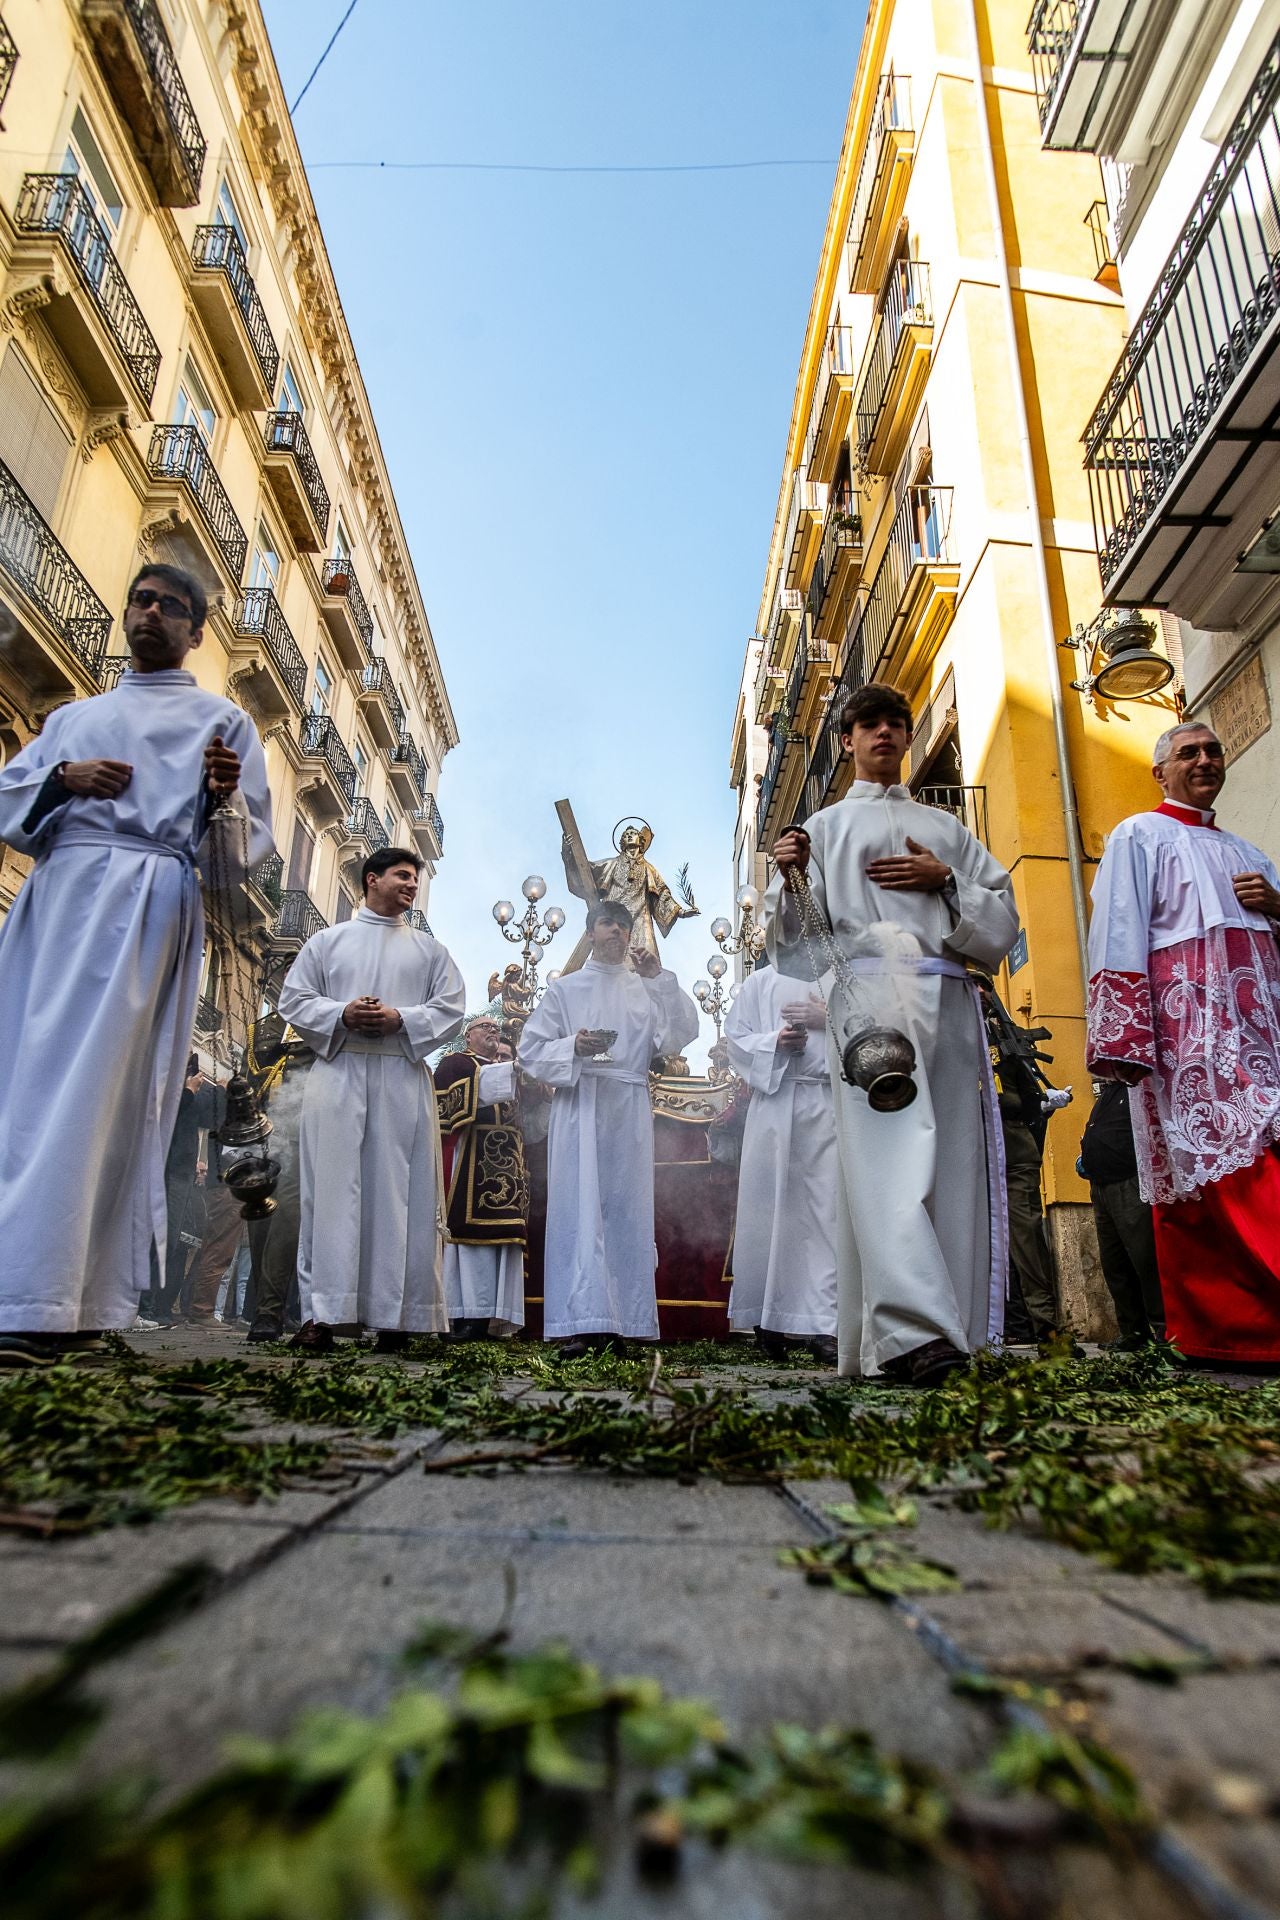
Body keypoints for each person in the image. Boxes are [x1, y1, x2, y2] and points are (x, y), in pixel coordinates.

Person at [0, 564, 273, 1365]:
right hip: (59, 904)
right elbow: (14, 812)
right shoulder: (73, 718)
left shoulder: (224, 725)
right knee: (28, 1084)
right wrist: (63, 778)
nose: (151, 613)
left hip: (149, 904)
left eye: (173, 606)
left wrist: (224, 800)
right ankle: (24, 1295)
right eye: (142, 600)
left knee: (114, 1103)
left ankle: (77, 1305)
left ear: (196, 632)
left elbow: (233, 862)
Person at [767, 682, 1019, 1387]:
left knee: (952, 1164)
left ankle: (954, 1332)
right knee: (887, 1161)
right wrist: (789, 879)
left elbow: (1004, 925)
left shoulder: (951, 834)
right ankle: (913, 1332)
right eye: (868, 724)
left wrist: (947, 882)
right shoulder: (819, 830)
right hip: (871, 999)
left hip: (950, 993)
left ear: (909, 739)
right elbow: (795, 951)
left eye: (895, 724)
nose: (883, 734)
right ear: (846, 740)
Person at [1086, 721, 1280, 1363]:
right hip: (1187, 1036)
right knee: (1218, 1177)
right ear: (1160, 772)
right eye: (1187, 753)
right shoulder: (1138, 834)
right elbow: (1117, 925)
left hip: (1261, 1029)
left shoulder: (1252, 853)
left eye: (1213, 750)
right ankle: (1220, 1331)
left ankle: (1251, 1332)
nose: (1204, 760)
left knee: (1257, 1160)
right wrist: (1124, 1034)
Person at [277, 846, 465, 1353]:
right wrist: (341, 1014)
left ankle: (398, 1317)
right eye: (402, 875)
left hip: (402, 1073)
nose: (411, 885)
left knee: (399, 1193)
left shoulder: (430, 951)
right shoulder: (326, 941)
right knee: (330, 1191)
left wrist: (400, 1019)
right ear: (371, 879)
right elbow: (293, 999)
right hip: (339, 1070)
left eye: (415, 878)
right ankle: (322, 1314)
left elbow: (451, 1008)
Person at [517, 899, 698, 1356]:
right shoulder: (566, 990)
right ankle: (580, 1323)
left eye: (623, 924)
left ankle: (623, 1321)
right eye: (607, 924)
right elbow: (531, 1050)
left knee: (625, 1212)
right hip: (580, 1103)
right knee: (578, 1210)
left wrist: (660, 979)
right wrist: (573, 1046)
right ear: (590, 933)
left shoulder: (645, 988)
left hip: (628, 1106)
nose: (617, 931)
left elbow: (682, 1031)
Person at [723, 963, 838, 1364]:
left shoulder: (840, 974)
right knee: (772, 1212)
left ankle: (825, 1324)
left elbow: (873, 1030)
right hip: (776, 1102)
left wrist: (829, 1019)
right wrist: (776, 1042)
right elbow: (735, 1038)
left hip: (828, 1102)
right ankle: (768, 1318)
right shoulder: (761, 981)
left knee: (827, 1216)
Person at [435, 1014, 528, 1340]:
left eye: (496, 1028)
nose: (493, 1031)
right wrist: (508, 1072)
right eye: (485, 1027)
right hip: (473, 1160)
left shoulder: (505, 1066)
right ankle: (466, 1316)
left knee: (506, 1239)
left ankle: (495, 1318)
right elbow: (445, 1108)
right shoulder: (456, 1064)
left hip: (509, 1164)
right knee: (471, 1236)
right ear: (467, 1036)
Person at [1078, 1081, 1164, 1350]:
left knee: (1144, 1259)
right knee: (1115, 1264)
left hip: (1129, 1183)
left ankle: (1164, 1332)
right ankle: (1132, 1333)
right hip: (1101, 1185)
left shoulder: (1140, 1086)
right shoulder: (1111, 1090)